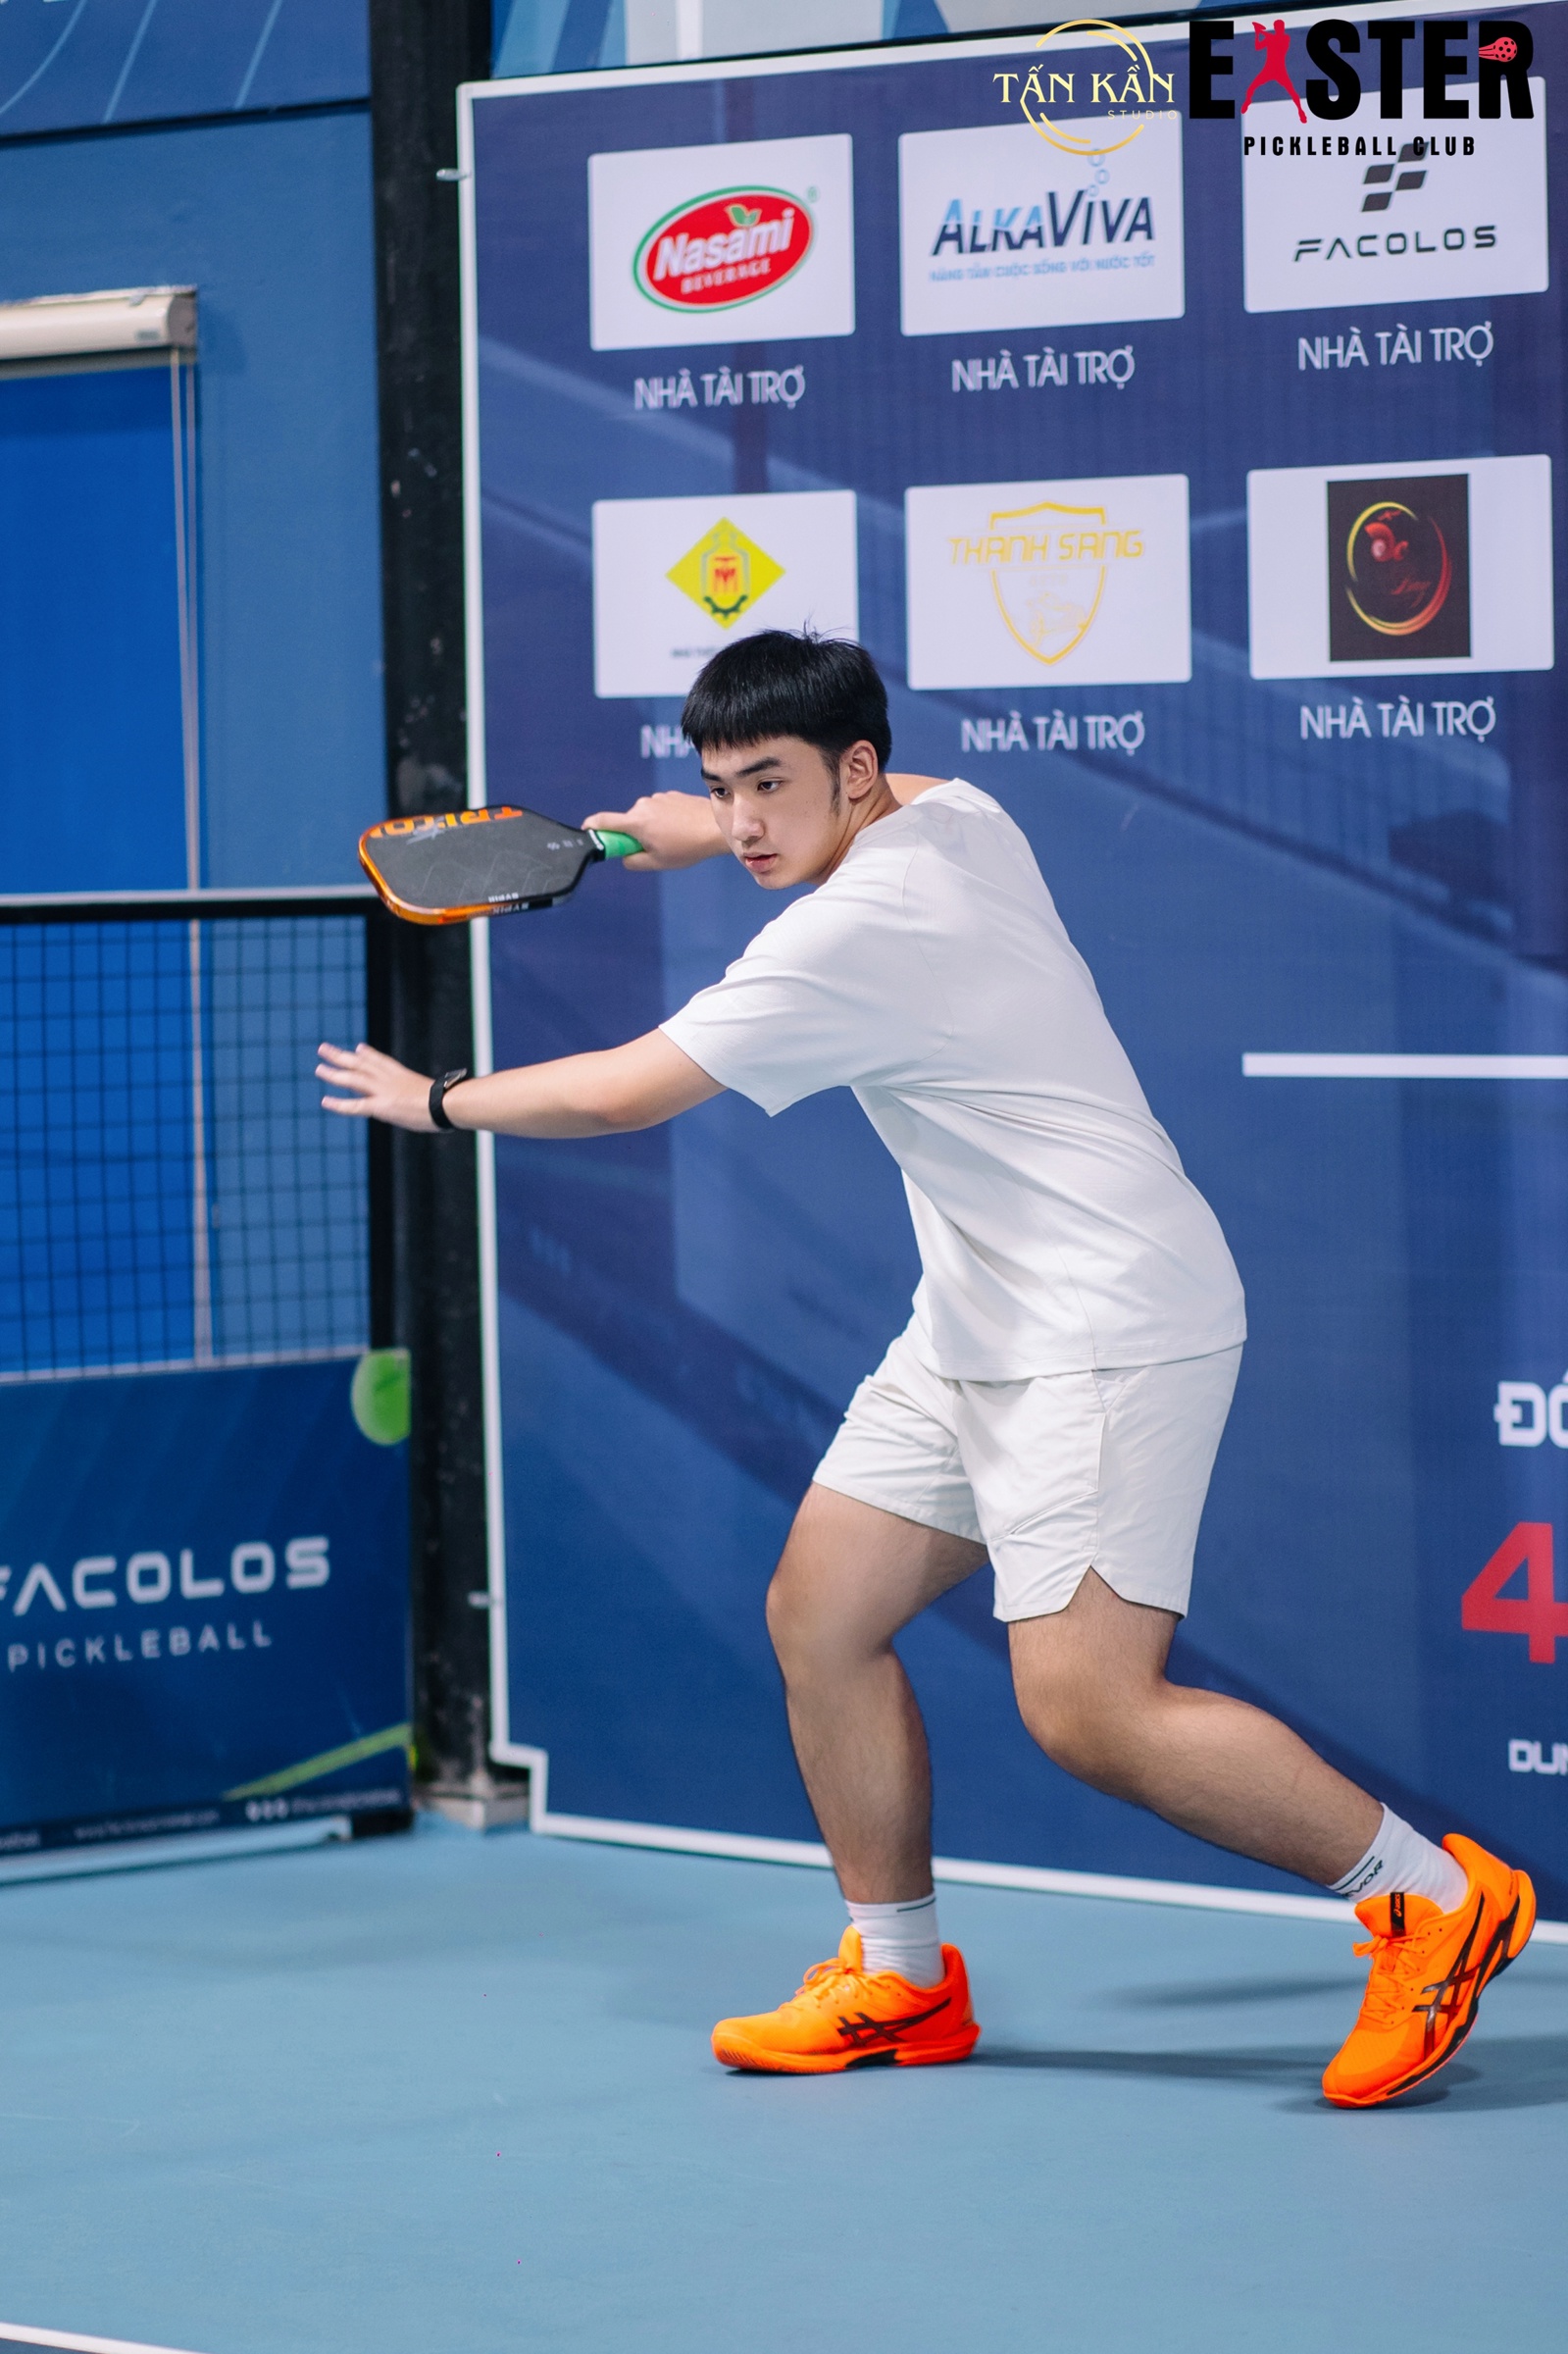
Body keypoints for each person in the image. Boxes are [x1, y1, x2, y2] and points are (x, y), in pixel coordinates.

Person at [319, 631, 1534, 2107]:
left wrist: (437, 1100)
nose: (747, 820)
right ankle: (899, 1978)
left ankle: (1431, 1902)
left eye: (772, 785)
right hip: (975, 1322)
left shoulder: (856, 933)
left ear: (856, 773)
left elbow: (624, 1093)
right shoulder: (959, 813)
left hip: (1104, 1326)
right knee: (824, 1614)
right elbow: (831, 802)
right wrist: (704, 829)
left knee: (1090, 1712)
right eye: (725, 786)